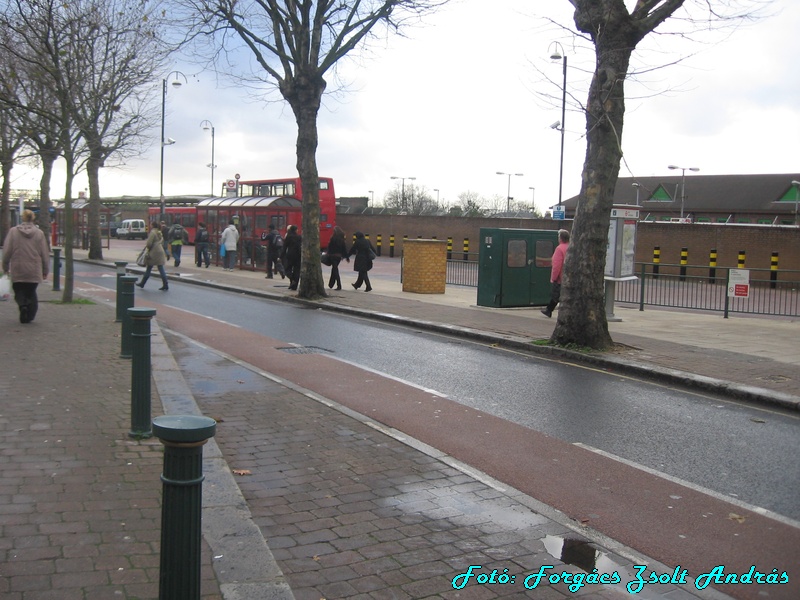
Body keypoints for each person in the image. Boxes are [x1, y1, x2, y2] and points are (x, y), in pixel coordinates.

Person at [2, 209, 50, 323]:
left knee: (18, 289)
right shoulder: (39, 233)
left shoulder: (13, 231)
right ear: (33, 218)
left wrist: (5, 266)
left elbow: (7, 250)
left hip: (18, 267)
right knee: (31, 291)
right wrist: (45, 269)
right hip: (34, 268)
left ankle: (23, 305)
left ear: (22, 218)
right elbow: (44, 253)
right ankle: (30, 315)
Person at [541, 229, 570, 318]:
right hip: (569, 277)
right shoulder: (570, 247)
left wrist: (554, 277)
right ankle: (549, 309)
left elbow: (557, 265)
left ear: (560, 238)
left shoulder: (559, 249)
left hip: (560, 278)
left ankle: (549, 310)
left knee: (555, 295)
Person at [136, 221, 169, 291]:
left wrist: (147, 248)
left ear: (152, 225)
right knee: (160, 267)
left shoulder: (153, 232)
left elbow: (149, 243)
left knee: (149, 267)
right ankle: (165, 284)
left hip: (154, 251)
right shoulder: (159, 232)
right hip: (160, 250)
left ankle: (142, 283)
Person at [325, 226, 349, 291]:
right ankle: (331, 284)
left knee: (335, 270)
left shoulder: (333, 238)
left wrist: (327, 253)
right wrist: (347, 257)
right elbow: (344, 249)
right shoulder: (342, 240)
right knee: (334, 269)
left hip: (332, 256)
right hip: (338, 257)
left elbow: (329, 247)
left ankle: (339, 285)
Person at [281, 224, 302, 290]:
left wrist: (281, 256)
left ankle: (292, 280)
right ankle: (294, 286)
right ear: (295, 230)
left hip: (290, 255)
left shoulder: (288, 237)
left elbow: (284, 247)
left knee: (287, 269)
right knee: (297, 270)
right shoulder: (299, 237)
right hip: (298, 256)